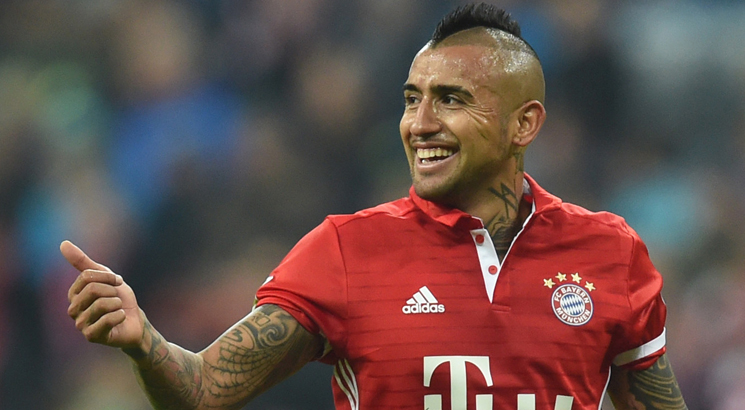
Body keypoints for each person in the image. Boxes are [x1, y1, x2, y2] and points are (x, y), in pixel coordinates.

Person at [62, 3, 688, 410]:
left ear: (523, 123)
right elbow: (203, 390)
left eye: (450, 99)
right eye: (412, 99)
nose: (419, 123)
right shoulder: (345, 251)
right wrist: (144, 342)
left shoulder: (610, 254)